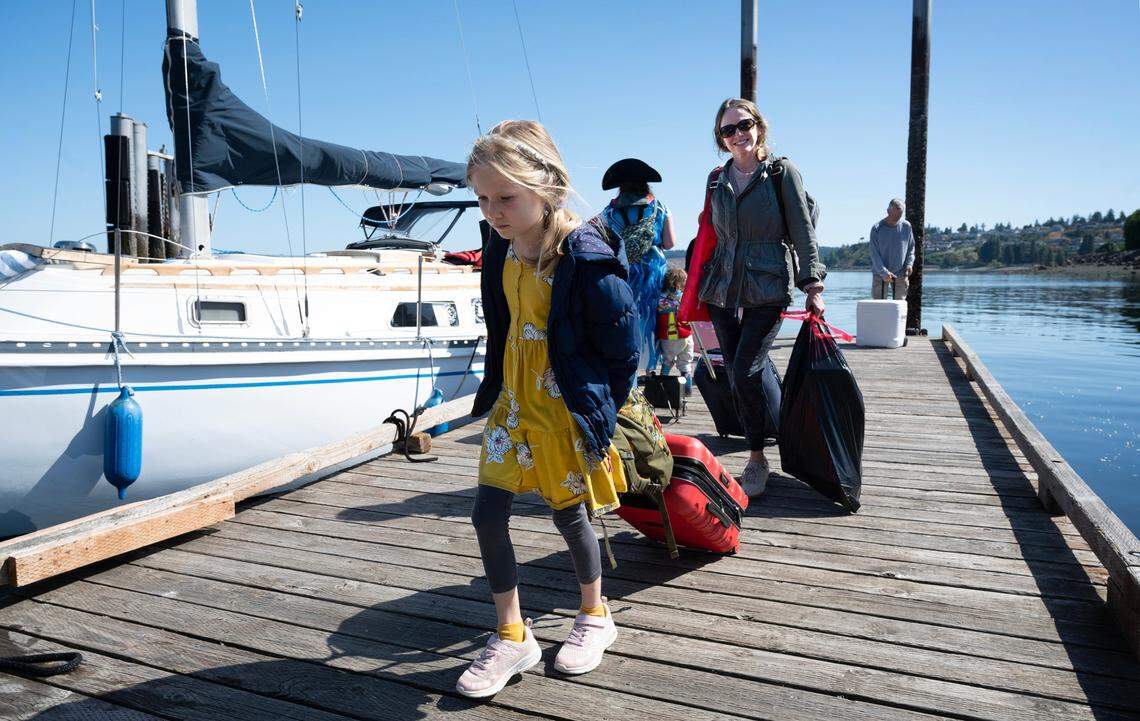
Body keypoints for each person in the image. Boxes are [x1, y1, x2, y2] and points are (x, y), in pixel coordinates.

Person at [458, 120, 640, 698]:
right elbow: (504, 323)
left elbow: (623, 348)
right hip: (514, 405)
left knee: (570, 516)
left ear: (549, 190)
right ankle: (513, 635)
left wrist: (598, 414)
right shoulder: (501, 249)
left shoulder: (585, 260)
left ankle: (595, 615)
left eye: (506, 197)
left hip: (561, 410)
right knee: (487, 516)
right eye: (483, 199)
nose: (493, 211)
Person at [680, 98, 826, 498]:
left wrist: (813, 286)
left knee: (746, 370)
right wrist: (691, 285)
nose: (737, 135)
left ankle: (757, 457)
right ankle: (762, 438)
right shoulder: (715, 179)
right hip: (722, 288)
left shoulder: (781, 173)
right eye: (728, 130)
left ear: (758, 127)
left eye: (743, 125)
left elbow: (802, 231)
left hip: (767, 285)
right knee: (735, 373)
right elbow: (709, 235)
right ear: (721, 139)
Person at [600, 158, 677, 371]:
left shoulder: (609, 212)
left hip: (623, 272)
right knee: (652, 319)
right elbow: (670, 243)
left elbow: (604, 243)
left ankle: (628, 367)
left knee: (626, 317)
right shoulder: (660, 207)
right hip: (653, 275)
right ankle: (650, 365)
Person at [656, 267, 694, 388]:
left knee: (667, 360)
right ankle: (687, 390)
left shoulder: (661, 299)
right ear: (678, 283)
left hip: (670, 336)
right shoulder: (684, 298)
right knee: (685, 364)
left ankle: (662, 386)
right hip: (687, 335)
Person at [869, 198, 915, 299]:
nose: (897, 218)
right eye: (895, 215)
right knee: (879, 308)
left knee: (900, 308)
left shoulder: (906, 226)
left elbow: (911, 249)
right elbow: (874, 254)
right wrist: (883, 273)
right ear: (888, 211)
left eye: (900, 215)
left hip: (901, 273)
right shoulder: (877, 228)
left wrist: (909, 264)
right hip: (880, 274)